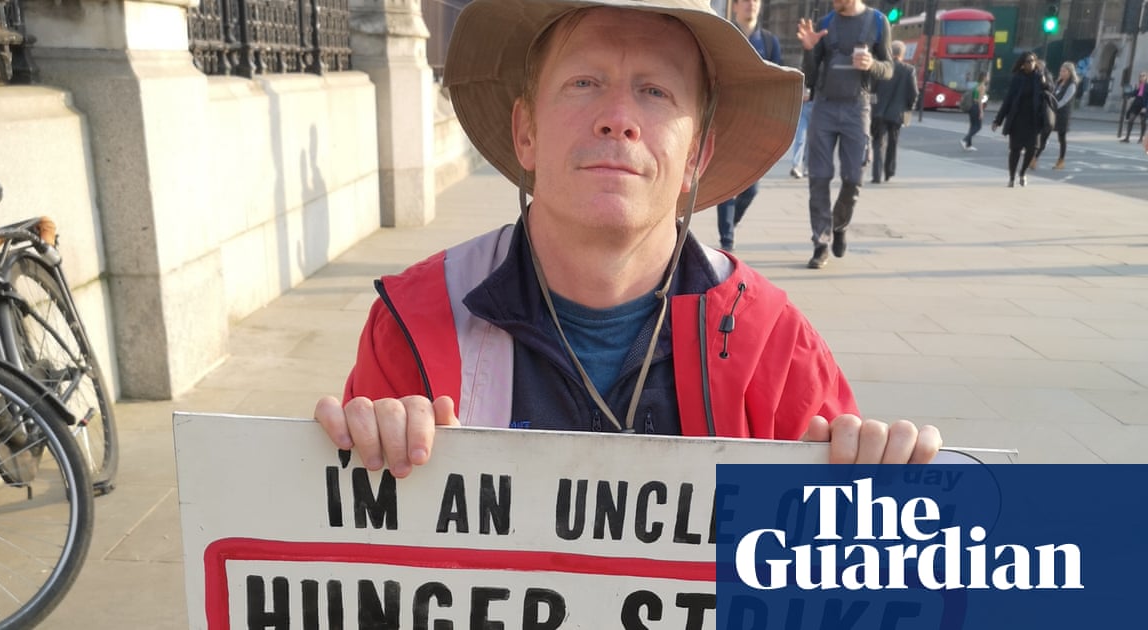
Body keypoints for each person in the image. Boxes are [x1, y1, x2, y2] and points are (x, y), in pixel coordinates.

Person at [312, 0, 941, 477]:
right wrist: (372, 448)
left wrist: (874, 495)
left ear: (698, 153)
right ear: (525, 131)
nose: (618, 117)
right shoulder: (414, 324)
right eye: (584, 83)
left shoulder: (775, 345)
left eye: (655, 91)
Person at [798, 0, 894, 269]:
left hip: (857, 107)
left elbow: (889, 69)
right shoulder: (826, 24)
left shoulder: (877, 22)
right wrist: (809, 50)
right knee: (819, 177)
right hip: (824, 107)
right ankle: (821, 243)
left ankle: (839, 224)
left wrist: (872, 64)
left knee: (854, 177)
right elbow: (811, 75)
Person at [715, 0, 782, 251]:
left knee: (751, 189)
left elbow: (779, 82)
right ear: (735, 6)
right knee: (726, 185)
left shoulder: (769, 41)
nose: (751, 4)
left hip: (759, 124)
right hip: (727, 119)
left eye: (756, 0)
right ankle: (727, 241)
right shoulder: (723, 36)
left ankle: (732, 222)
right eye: (745, 0)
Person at [992, 51, 1051, 188]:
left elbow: (1051, 90)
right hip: (1018, 120)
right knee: (1015, 150)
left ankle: (1022, 172)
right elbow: (1008, 100)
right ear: (1022, 65)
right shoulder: (1017, 78)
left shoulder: (1041, 76)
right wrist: (998, 120)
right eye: (1027, 61)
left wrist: (1044, 82)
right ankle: (1012, 177)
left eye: (1032, 61)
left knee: (1032, 149)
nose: (1030, 63)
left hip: (1034, 120)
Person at [869, 40, 918, 184]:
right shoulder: (909, 70)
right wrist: (909, 107)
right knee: (893, 142)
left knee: (878, 143)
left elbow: (872, 90)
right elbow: (913, 93)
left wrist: (872, 107)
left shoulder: (882, 68)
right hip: (897, 113)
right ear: (902, 54)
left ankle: (876, 175)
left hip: (879, 112)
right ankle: (889, 172)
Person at [1042, 61, 1079, 170]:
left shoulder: (1072, 84)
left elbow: (1065, 100)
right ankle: (1034, 157)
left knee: (1061, 138)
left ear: (1070, 72)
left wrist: (1054, 106)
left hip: (1063, 114)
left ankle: (1061, 160)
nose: (1062, 73)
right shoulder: (1059, 82)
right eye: (1061, 71)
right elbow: (1053, 95)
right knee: (1044, 133)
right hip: (1053, 112)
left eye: (1064, 71)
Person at [960, 72, 988, 151]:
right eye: (987, 76)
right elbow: (980, 100)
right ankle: (965, 140)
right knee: (978, 127)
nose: (988, 78)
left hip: (971, 106)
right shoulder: (982, 86)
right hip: (976, 106)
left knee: (972, 126)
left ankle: (968, 145)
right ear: (984, 77)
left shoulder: (977, 85)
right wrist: (981, 111)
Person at [789, 86, 813, 178]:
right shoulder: (800, 71)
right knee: (800, 138)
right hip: (801, 107)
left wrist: (811, 95)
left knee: (811, 140)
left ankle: (808, 167)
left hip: (815, 106)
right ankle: (796, 166)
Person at [1120, 71, 1147, 144]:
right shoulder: (1139, 85)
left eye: (1143, 76)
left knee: (1143, 122)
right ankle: (1127, 138)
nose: (1141, 77)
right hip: (1136, 104)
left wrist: (1145, 107)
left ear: (1146, 77)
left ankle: (1141, 138)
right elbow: (1134, 93)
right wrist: (1127, 94)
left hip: (1143, 105)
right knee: (1131, 120)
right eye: (1140, 76)